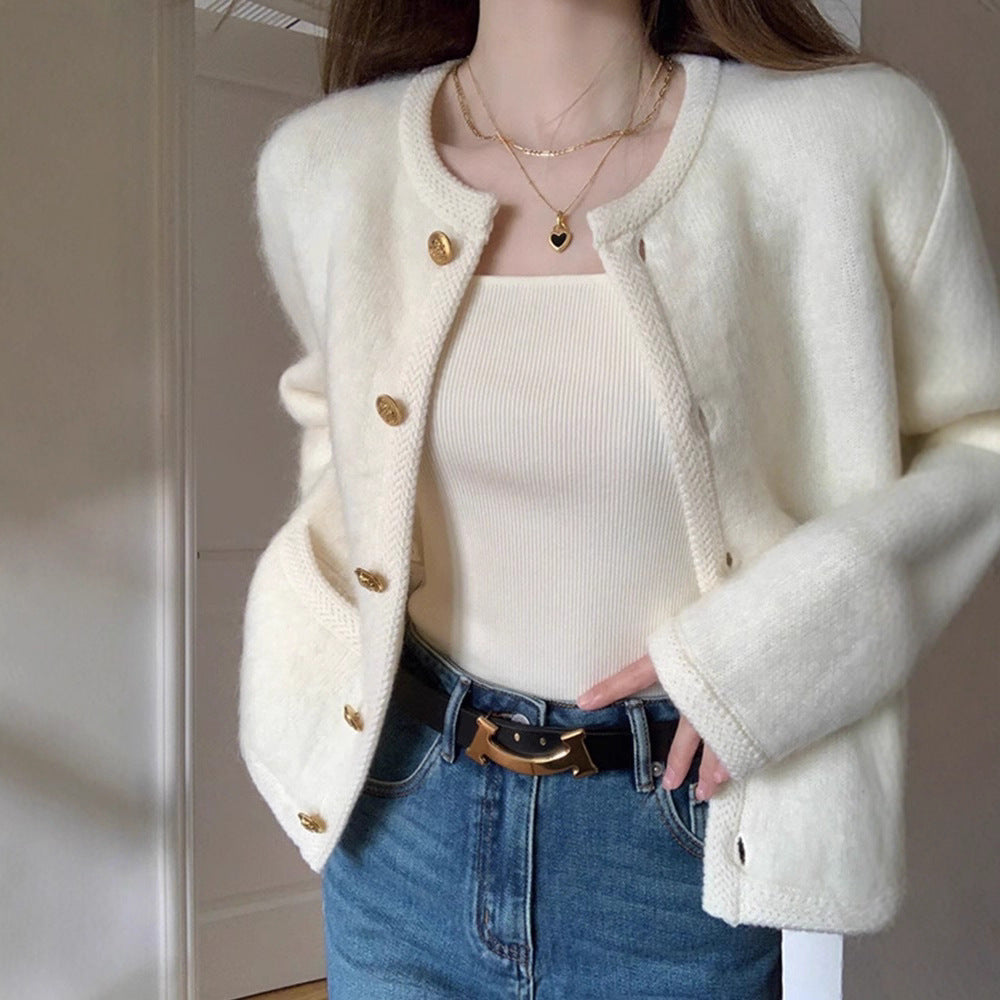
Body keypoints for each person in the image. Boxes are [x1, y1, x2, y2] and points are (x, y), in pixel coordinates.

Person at [236, 1, 1000, 997]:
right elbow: (333, 428)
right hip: (399, 822)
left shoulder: (850, 143)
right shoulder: (323, 165)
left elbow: (979, 435)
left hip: (680, 843)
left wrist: (778, 653)